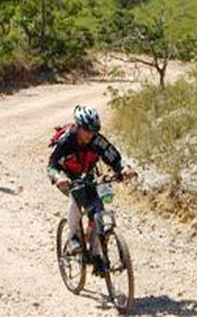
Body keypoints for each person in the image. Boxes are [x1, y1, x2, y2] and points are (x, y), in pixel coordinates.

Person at [47, 105, 135, 276]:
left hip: (89, 176)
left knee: (97, 209)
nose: (90, 134)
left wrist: (124, 169)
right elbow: (52, 166)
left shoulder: (97, 141)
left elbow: (115, 158)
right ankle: (73, 237)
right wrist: (58, 178)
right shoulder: (66, 141)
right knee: (77, 197)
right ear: (78, 127)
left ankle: (96, 255)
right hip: (68, 178)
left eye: (94, 130)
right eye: (87, 130)